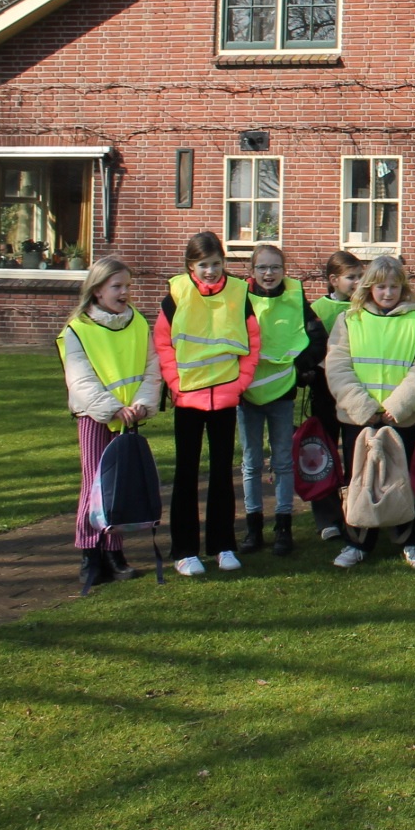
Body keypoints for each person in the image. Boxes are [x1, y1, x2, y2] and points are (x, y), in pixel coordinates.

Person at [153, 231, 260, 577]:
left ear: (224, 262)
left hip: (225, 396)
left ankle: (223, 546)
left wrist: (241, 382)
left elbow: (252, 340)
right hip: (188, 398)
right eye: (204, 265)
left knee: (221, 475)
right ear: (191, 266)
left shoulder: (239, 292)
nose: (211, 271)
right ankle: (184, 550)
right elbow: (163, 342)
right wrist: (174, 383)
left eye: (216, 263)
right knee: (185, 475)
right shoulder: (177, 293)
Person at [324, 254, 415, 568]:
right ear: (369, 287)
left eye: (394, 286)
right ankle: (357, 543)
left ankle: (411, 540)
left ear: (403, 288)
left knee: (405, 480)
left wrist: (396, 406)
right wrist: (364, 408)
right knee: (359, 480)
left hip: (402, 417)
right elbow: (337, 368)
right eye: (381, 286)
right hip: (359, 417)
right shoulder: (349, 319)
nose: (388, 293)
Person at [57, 256, 163, 590]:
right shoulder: (78, 330)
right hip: (95, 417)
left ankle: (115, 552)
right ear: (97, 290)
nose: (124, 292)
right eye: (117, 286)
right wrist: (112, 408)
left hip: (128, 418)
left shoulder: (138, 324)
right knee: (95, 484)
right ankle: (90, 552)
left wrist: (142, 404)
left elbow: (152, 368)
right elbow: (81, 379)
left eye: (127, 286)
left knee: (119, 487)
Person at [236, 243, 326, 558]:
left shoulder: (295, 298)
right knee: (251, 463)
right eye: (262, 267)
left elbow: (317, 338)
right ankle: (253, 527)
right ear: (252, 271)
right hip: (246, 393)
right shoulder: (239, 298)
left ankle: (283, 528)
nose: (269, 273)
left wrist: (300, 369)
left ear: (284, 270)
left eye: (275, 267)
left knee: (284, 461)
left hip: (282, 391)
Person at [305, 250, 364, 543]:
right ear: (333, 280)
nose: (357, 283)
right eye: (351, 277)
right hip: (324, 393)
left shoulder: (366, 308)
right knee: (324, 453)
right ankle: (326, 517)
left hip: (356, 393)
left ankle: (356, 510)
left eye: (360, 277)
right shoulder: (317, 309)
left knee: (356, 454)